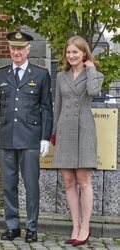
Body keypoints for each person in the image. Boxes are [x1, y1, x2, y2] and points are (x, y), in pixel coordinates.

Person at [0, 31, 53, 243]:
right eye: (13, 48)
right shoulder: (0, 74)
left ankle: (32, 227)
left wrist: (45, 137)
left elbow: (46, 108)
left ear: (28, 50)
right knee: (8, 184)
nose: (16, 52)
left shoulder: (40, 75)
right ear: (9, 49)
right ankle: (13, 226)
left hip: (30, 138)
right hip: (7, 136)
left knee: (31, 185)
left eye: (20, 48)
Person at [51, 36, 104, 246]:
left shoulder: (95, 75)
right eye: (69, 52)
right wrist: (53, 132)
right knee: (68, 182)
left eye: (76, 52)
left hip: (84, 130)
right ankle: (74, 225)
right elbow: (57, 106)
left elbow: (93, 92)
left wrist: (90, 69)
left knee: (84, 181)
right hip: (64, 131)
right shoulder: (61, 77)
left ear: (84, 54)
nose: (71, 56)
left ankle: (85, 227)